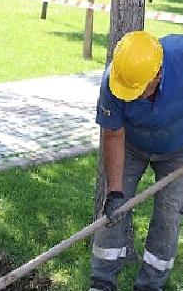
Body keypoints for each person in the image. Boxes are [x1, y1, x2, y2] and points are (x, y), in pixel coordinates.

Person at [90, 31, 183, 291]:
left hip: (177, 150)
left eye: (137, 90)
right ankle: (102, 281)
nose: (129, 95)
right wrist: (115, 192)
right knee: (113, 212)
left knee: (168, 214)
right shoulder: (115, 79)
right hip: (131, 145)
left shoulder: (180, 57)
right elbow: (113, 134)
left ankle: (151, 284)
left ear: (158, 74)